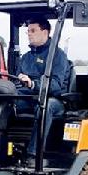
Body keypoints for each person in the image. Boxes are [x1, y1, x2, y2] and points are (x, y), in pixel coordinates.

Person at [16, 19, 69, 163]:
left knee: (45, 107)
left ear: (45, 32)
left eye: (33, 31)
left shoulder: (58, 56)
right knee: (3, 103)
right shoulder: (26, 57)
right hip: (28, 98)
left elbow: (56, 85)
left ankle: (33, 155)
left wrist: (33, 84)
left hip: (54, 99)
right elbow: (16, 80)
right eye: (28, 31)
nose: (29, 34)